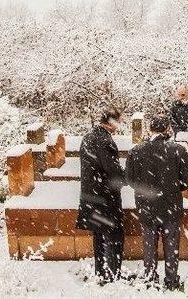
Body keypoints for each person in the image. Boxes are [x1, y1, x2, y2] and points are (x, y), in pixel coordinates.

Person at [126, 115, 188, 290]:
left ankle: (150, 277)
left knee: (149, 243)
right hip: (171, 204)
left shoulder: (136, 151)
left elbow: (130, 180)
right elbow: (187, 180)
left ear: (150, 129)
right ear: (168, 129)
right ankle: (171, 280)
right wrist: (172, 188)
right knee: (172, 244)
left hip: (147, 205)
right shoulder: (178, 150)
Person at [76, 106, 126, 284]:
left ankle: (101, 271)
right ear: (111, 122)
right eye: (119, 121)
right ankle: (111, 274)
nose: (120, 125)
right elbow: (113, 171)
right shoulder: (105, 141)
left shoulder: (88, 137)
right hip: (105, 198)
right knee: (113, 236)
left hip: (92, 196)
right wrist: (127, 176)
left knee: (99, 237)